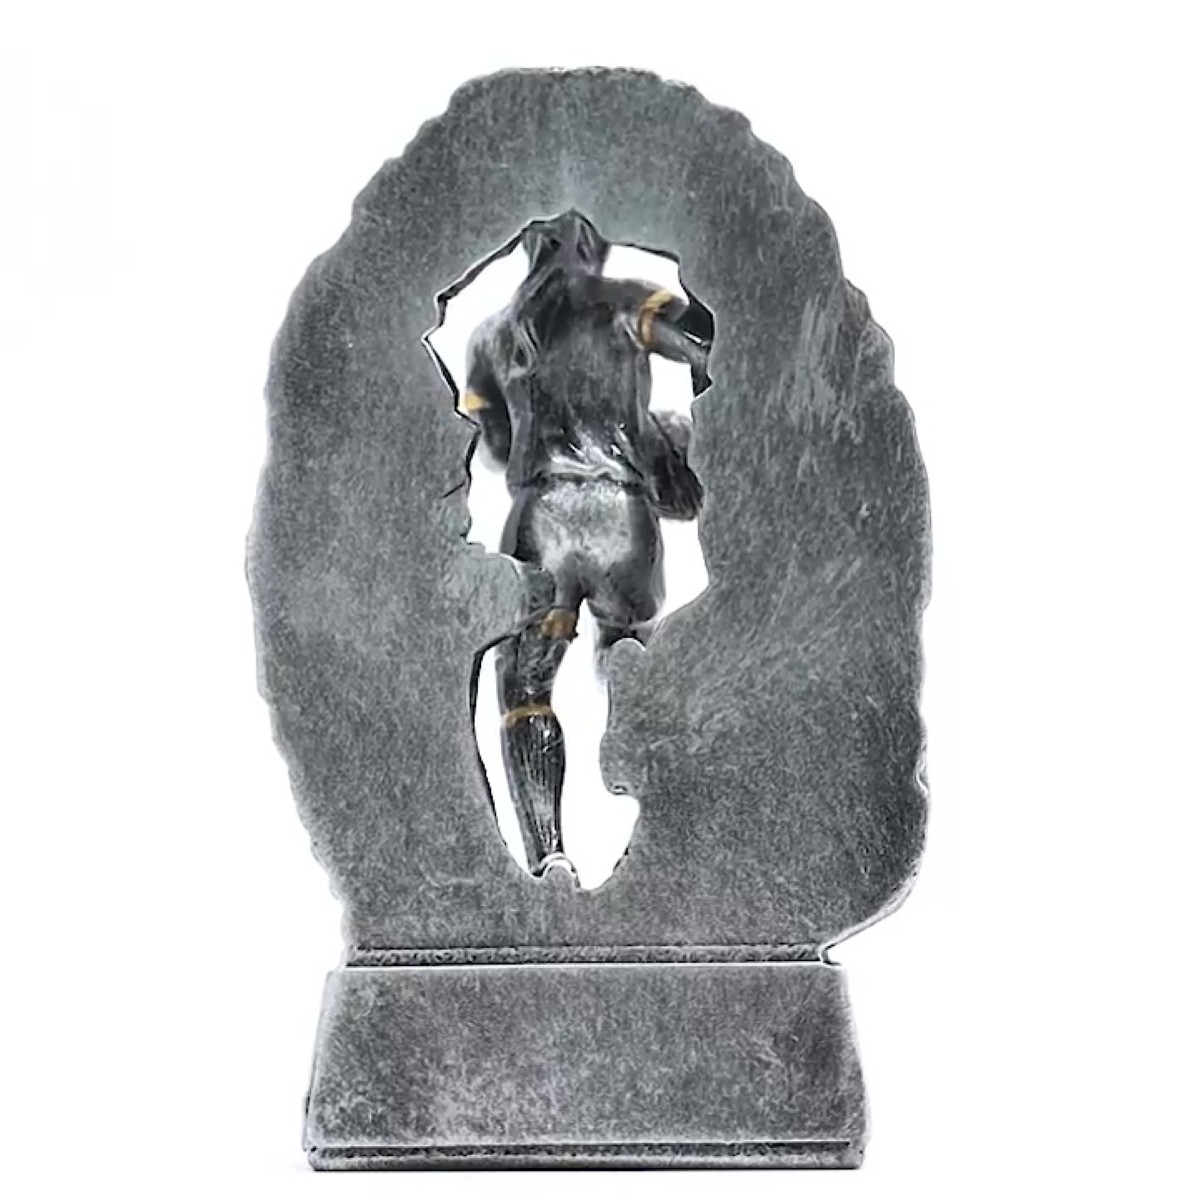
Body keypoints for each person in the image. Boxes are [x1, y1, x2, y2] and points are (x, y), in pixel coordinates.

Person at [459, 210, 712, 877]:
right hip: (622, 520)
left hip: (542, 520)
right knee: (635, 670)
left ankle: (546, 857)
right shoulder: (628, 304)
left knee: (526, 690)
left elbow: (496, 444)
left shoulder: (495, 336)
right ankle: (667, 842)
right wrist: (668, 437)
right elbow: (706, 348)